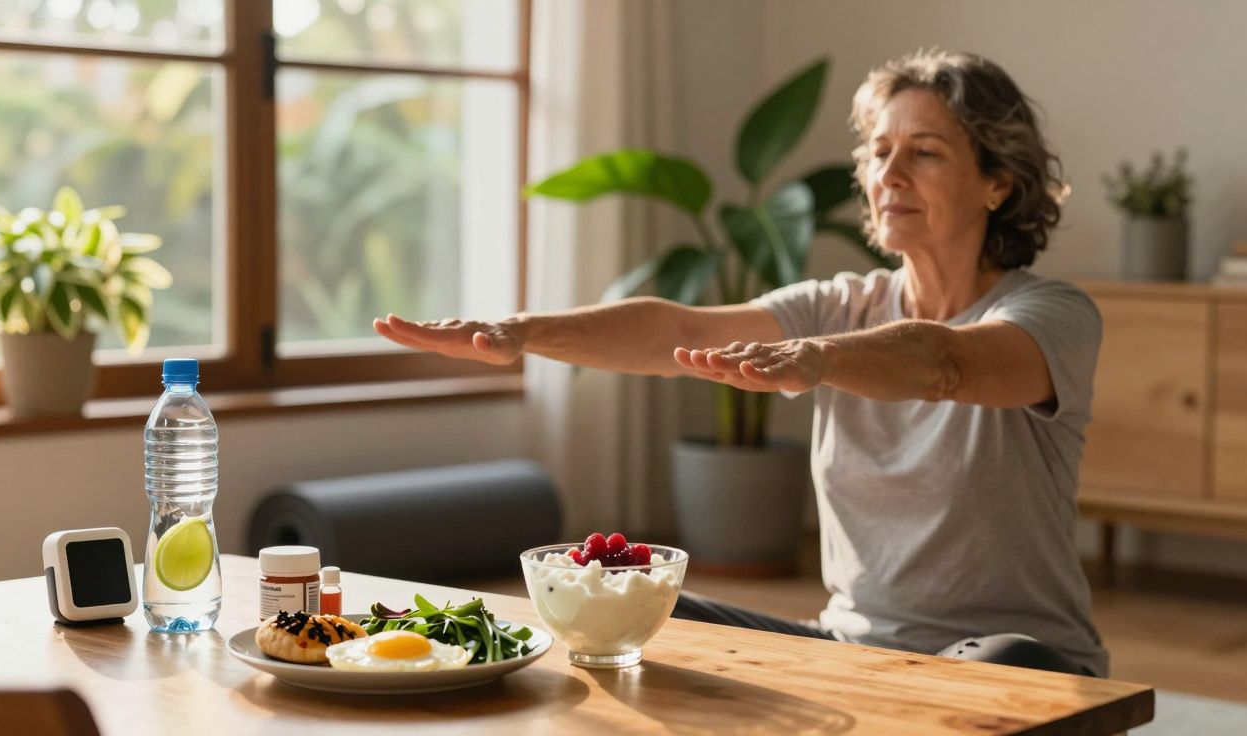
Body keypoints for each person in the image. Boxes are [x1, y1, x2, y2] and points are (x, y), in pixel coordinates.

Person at [374, 49, 1108, 677]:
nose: (889, 173)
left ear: (998, 182)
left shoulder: (1051, 316)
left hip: (1013, 659)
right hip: (853, 653)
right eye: (879, 151)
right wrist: (522, 331)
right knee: (627, 602)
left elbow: (945, 362)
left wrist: (813, 359)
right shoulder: (839, 302)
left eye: (925, 151)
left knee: (1001, 665)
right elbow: (674, 331)